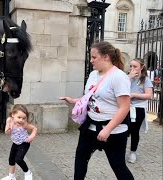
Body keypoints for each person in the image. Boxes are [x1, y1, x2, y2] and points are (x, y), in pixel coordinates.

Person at [59, 41, 134, 180]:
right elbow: (93, 97)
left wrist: (107, 130)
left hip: (113, 131)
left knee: (118, 165)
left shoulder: (118, 77)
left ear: (105, 57)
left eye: (94, 57)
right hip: (90, 127)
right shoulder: (94, 74)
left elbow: (124, 107)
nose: (91, 60)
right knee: (80, 159)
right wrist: (75, 101)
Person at [1, 104, 37, 180]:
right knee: (11, 159)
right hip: (15, 143)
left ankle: (28, 173)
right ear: (13, 114)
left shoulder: (24, 124)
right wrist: (8, 130)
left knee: (18, 159)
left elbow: (34, 128)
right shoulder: (9, 120)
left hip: (24, 143)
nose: (21, 120)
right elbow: (6, 132)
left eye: (24, 118)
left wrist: (32, 136)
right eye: (19, 117)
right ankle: (11, 176)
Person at [127, 58, 153, 163]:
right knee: (123, 129)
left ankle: (133, 152)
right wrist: (129, 78)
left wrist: (134, 95)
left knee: (134, 131)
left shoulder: (145, 79)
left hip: (138, 108)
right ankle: (118, 150)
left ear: (141, 67)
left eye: (135, 66)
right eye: (131, 66)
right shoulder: (127, 77)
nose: (132, 68)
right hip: (126, 107)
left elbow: (149, 95)